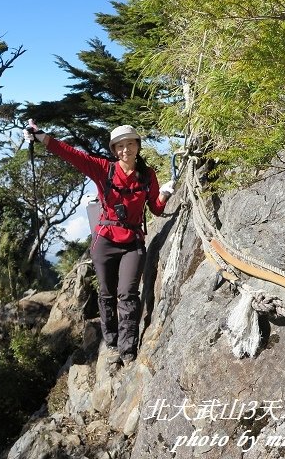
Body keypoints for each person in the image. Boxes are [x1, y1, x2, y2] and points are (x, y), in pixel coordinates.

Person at [24, 121, 175, 366]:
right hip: (105, 241)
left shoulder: (148, 175)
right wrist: (42, 136)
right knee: (106, 294)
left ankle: (128, 348)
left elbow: (156, 210)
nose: (126, 149)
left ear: (137, 146)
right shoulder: (103, 169)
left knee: (127, 294)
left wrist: (165, 193)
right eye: (120, 146)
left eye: (130, 144)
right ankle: (112, 340)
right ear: (114, 150)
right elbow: (72, 154)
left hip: (133, 243)